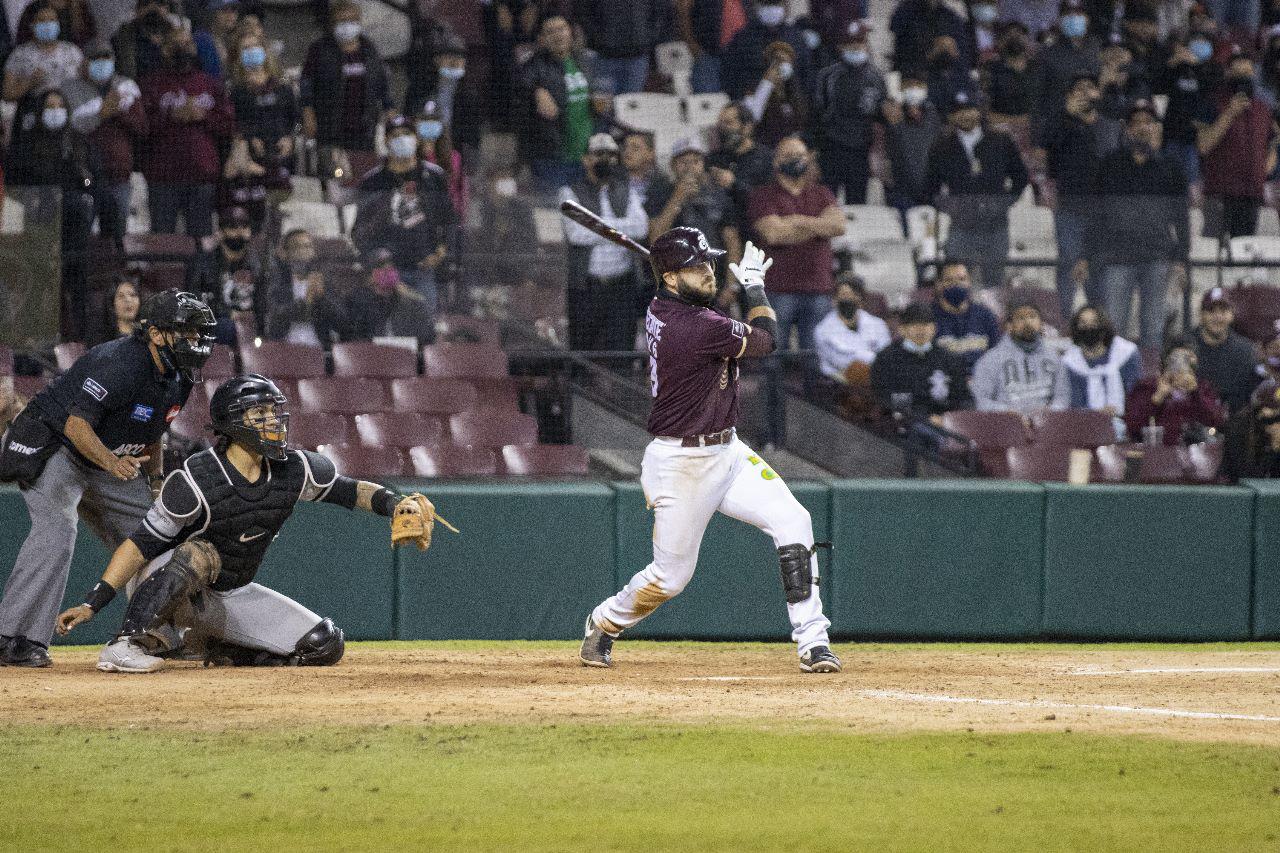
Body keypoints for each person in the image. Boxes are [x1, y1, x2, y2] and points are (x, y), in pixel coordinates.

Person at [55, 374, 445, 672]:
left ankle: (213, 645)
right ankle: (127, 643)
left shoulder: (294, 468)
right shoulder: (197, 477)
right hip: (164, 583)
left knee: (325, 644)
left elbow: (347, 490)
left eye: (274, 412)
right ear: (232, 423)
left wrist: (394, 503)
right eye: (260, 414)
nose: (273, 421)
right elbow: (139, 545)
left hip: (228, 591)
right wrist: (93, 602)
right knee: (198, 552)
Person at [579, 230, 841, 674]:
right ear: (670, 276)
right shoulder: (693, 326)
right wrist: (755, 287)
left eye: (708, 264)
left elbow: (713, 312)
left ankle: (813, 641)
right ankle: (604, 621)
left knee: (794, 519)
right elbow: (765, 339)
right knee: (670, 578)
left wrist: (711, 282)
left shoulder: (673, 307)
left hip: (728, 451)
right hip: (681, 463)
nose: (709, 272)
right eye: (697, 267)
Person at [0, 290, 214, 667]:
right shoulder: (119, 362)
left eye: (198, 334)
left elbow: (153, 431)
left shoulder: (179, 376)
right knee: (57, 529)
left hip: (110, 458)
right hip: (56, 446)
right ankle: (14, 637)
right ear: (158, 334)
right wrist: (114, 465)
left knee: (157, 532)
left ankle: (156, 632)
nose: (196, 342)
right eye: (188, 333)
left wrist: (156, 480)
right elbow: (76, 425)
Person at [1092, 100, 1188, 349]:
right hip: (1117, 256)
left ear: (1157, 128)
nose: (1143, 128)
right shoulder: (1110, 165)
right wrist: (1090, 252)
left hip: (1156, 255)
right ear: (1127, 129)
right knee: (1113, 329)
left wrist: (1181, 257)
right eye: (1137, 123)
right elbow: (1097, 214)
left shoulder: (1170, 168)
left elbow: (1181, 217)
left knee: (1153, 331)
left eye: (1149, 122)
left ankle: (1149, 384)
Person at [351, 114, 456, 315]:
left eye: (407, 134)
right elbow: (360, 232)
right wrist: (378, 265)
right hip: (387, 270)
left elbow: (450, 220)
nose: (402, 139)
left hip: (423, 269)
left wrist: (441, 252)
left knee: (424, 326)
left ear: (416, 138)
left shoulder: (434, 177)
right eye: (395, 135)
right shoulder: (373, 182)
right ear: (386, 141)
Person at [924, 89, 1029, 289]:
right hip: (961, 227)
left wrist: (1003, 203)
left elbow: (1021, 177)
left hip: (995, 226)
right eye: (959, 110)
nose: (965, 114)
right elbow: (930, 189)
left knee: (994, 284)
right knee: (955, 282)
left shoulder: (1001, 141)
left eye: (970, 109)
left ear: (979, 111)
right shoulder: (941, 147)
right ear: (951, 116)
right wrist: (952, 208)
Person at [747, 135, 844, 349]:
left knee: (816, 356)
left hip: (818, 288)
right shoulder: (762, 196)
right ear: (776, 161)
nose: (795, 160)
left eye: (800, 155)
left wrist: (797, 221)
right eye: (788, 155)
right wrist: (818, 226)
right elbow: (774, 234)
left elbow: (838, 226)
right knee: (772, 355)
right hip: (777, 288)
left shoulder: (822, 192)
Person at [139, 27, 236, 239]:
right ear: (165, 49)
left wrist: (203, 116)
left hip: (202, 175)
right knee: (162, 241)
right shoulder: (151, 84)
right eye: (177, 44)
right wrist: (173, 115)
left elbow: (228, 125)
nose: (184, 49)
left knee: (201, 243)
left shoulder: (210, 84)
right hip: (163, 177)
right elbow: (142, 126)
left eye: (188, 44)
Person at [559, 132, 648, 351]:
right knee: (582, 353)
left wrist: (594, 225)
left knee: (621, 354)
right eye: (599, 154)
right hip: (586, 288)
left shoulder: (627, 191)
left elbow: (641, 228)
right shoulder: (569, 192)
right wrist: (620, 230)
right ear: (586, 159)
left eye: (610, 154)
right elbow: (576, 235)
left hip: (622, 287)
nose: (605, 160)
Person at [62, 43, 147, 241]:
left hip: (118, 175)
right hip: (83, 178)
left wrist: (119, 112)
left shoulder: (126, 86)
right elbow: (71, 126)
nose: (101, 64)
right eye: (95, 59)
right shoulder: (69, 89)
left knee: (116, 236)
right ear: (83, 63)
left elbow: (142, 127)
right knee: (81, 236)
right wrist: (102, 113)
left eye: (105, 59)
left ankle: (115, 272)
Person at [520, 14, 608, 194]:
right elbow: (519, 85)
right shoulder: (535, 65)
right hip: (553, 158)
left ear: (570, 32)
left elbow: (601, 95)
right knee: (555, 213)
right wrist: (536, 90)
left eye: (562, 29)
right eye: (550, 32)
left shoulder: (586, 61)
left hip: (586, 155)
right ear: (542, 39)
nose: (558, 35)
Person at [1044, 74, 1105, 322]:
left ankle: (1099, 323)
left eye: (1089, 89)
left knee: (1098, 270)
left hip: (1103, 213)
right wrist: (1067, 117)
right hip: (1070, 209)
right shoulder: (1060, 125)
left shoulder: (1107, 126)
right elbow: (1051, 164)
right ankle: (1064, 322)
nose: (1084, 95)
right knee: (1068, 264)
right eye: (1078, 90)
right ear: (1068, 97)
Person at [1198, 50, 1277, 239]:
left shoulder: (1263, 108)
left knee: (1244, 253)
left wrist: (1262, 171)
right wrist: (1229, 114)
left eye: (1247, 73)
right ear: (1228, 74)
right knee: (1215, 252)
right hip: (1220, 193)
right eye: (1238, 73)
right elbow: (1204, 145)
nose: (1244, 78)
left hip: (1251, 195)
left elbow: (1272, 143)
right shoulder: (1212, 103)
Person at [300, 0, 392, 155]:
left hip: (363, 126)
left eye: (351, 21)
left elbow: (381, 81)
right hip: (330, 125)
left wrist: (389, 107)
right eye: (341, 21)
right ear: (332, 24)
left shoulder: (368, 49)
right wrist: (308, 112)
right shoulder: (320, 49)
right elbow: (306, 82)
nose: (347, 26)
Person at [811, 19, 885, 204]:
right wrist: (814, 150)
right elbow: (817, 115)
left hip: (860, 152)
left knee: (858, 205)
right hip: (831, 149)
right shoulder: (827, 76)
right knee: (826, 204)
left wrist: (876, 154)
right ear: (841, 47)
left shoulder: (876, 77)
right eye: (850, 43)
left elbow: (879, 117)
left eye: (860, 42)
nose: (856, 48)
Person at [645, 137, 741, 269]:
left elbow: (732, 243)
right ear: (673, 165)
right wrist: (677, 199)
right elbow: (655, 240)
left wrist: (732, 286)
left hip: (713, 273)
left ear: (703, 164)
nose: (689, 167)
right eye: (683, 162)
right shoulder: (661, 193)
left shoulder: (718, 194)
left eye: (696, 162)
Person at [870, 302, 974, 421]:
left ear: (934, 328)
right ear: (902, 329)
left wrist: (950, 419)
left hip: (947, 423)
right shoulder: (886, 359)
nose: (921, 330)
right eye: (914, 325)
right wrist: (926, 419)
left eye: (926, 325)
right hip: (905, 424)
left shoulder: (949, 358)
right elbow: (886, 398)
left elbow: (963, 398)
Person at [971, 299, 1071, 416]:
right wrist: (1008, 413)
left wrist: (1050, 412)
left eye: (1032, 316)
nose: (1027, 322)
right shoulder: (989, 360)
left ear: (1041, 324)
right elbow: (981, 402)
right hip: (1006, 426)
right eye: (1020, 318)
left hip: (1047, 426)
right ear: (1009, 326)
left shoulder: (1054, 358)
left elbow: (1063, 397)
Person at [1124, 337, 1224, 444]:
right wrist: (1156, 399)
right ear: (1166, 361)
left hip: (1194, 450)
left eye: (1187, 361)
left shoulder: (1202, 388)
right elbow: (1132, 426)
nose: (1181, 367)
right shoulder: (1146, 387)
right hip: (1157, 451)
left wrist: (1195, 393)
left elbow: (1216, 421)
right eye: (1175, 360)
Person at [187, 206, 262, 343]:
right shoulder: (203, 262)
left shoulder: (259, 263)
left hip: (252, 321)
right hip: (219, 322)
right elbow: (198, 302)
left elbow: (267, 299)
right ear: (220, 232)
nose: (240, 231)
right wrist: (230, 314)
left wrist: (255, 316)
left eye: (244, 226)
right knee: (229, 327)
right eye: (233, 226)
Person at [402, 30, 480, 159]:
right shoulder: (418, 90)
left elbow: (472, 138)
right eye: (449, 57)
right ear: (437, 60)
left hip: (454, 155)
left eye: (460, 58)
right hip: (422, 152)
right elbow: (409, 123)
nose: (454, 62)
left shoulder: (469, 97)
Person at [1029, 0, 1101, 138]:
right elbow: (1036, 99)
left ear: (1087, 18)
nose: (1074, 17)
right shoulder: (1047, 55)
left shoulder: (1097, 48)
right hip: (1060, 128)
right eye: (1068, 13)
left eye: (1078, 12)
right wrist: (1038, 139)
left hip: (1094, 125)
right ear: (1060, 19)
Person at [263, 228, 346, 345]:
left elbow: (341, 323)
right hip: (285, 350)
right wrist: (307, 301)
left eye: (307, 246)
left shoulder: (323, 281)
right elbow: (274, 323)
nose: (303, 251)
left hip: (318, 351)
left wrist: (322, 298)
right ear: (285, 253)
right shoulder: (277, 283)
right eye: (297, 247)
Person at [1061, 305, 1141, 426]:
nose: (1089, 327)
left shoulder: (1126, 353)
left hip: (1126, 422)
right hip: (1084, 426)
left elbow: (1135, 395)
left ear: (1104, 327)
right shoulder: (1069, 362)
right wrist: (1097, 415)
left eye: (1094, 323)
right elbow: (1073, 405)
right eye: (1083, 323)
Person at [720, 1, 814, 101]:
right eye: (766, 4)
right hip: (753, 105)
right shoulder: (742, 39)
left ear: (785, 6)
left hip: (791, 104)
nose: (772, 9)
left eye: (776, 4)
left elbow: (807, 76)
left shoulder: (796, 38)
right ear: (756, 6)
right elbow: (730, 76)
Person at [881, 71, 942, 220]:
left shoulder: (934, 115)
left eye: (918, 85)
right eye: (909, 85)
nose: (913, 89)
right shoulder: (892, 113)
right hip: (902, 190)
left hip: (931, 190)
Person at [1157, 34, 1215, 187]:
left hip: (1194, 137)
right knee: (1167, 181)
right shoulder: (1177, 67)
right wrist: (1172, 64)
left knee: (1190, 184)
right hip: (1172, 133)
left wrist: (1197, 65)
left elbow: (1209, 89)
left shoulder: (1210, 69)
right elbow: (1159, 87)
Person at [343, 249, 435, 344]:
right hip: (371, 351)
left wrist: (410, 297)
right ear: (370, 275)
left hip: (404, 351)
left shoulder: (409, 301)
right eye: (381, 268)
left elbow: (427, 335)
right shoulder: (357, 299)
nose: (388, 271)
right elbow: (354, 334)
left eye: (391, 268)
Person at [813, 274, 892, 383]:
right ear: (834, 300)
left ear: (860, 299)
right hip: (838, 379)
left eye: (854, 295)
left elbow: (886, 353)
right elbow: (838, 361)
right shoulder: (823, 329)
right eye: (845, 295)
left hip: (876, 376)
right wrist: (869, 360)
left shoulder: (877, 324)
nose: (849, 299)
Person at [1194, 287, 1261, 415]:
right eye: (1211, 311)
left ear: (1231, 314)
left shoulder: (1245, 350)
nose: (1218, 317)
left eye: (1223, 311)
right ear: (1202, 314)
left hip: (1234, 421)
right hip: (1194, 419)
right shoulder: (1187, 346)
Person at [2, 1, 84, 104]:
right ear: (32, 25)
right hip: (36, 109)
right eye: (42, 20)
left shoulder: (72, 50)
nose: (48, 24)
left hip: (71, 107)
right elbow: (7, 94)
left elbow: (86, 83)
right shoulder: (19, 54)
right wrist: (29, 82)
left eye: (52, 20)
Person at [575, 0, 664, 95]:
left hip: (637, 57)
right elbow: (583, 12)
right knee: (605, 106)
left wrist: (647, 38)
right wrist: (598, 38)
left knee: (630, 106)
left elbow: (659, 10)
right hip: (604, 57)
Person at [707, 101, 775, 226]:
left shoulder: (766, 158)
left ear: (747, 127)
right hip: (720, 227)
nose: (723, 129)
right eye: (720, 124)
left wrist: (734, 184)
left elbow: (768, 200)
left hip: (756, 225)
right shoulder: (713, 159)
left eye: (729, 123)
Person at [930, 259, 1003, 369]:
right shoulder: (928, 317)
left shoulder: (985, 316)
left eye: (962, 279)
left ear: (969, 282)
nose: (956, 284)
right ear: (938, 284)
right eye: (949, 280)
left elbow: (997, 356)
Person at [742, 38, 810, 148]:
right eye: (778, 60)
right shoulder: (753, 90)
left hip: (791, 148)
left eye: (787, 61)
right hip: (765, 148)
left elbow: (801, 124)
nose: (783, 64)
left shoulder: (795, 93)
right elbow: (752, 118)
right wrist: (767, 83)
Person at [674, 0, 749, 93]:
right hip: (708, 53)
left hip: (738, 54)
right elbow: (683, 12)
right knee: (708, 98)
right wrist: (692, 44)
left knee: (736, 99)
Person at [889, 0, 972, 73]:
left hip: (948, 78)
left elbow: (963, 58)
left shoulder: (951, 17)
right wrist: (932, 53)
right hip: (914, 79)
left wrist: (954, 53)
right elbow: (903, 57)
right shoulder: (905, 12)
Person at [1220, 380, 1280, 481]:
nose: (1276, 424)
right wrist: (1272, 450)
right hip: (1238, 489)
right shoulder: (1241, 428)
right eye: (1273, 419)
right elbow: (1246, 475)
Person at [110, 0, 179, 82]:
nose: (153, 8)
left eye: (159, 3)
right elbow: (127, 71)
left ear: (167, 8)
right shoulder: (125, 35)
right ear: (137, 10)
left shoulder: (174, 31)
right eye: (146, 4)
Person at [621, 130, 668, 205]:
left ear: (650, 154)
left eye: (635, 148)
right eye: (625, 147)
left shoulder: (663, 184)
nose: (627, 152)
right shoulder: (613, 181)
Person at [96, 275, 142, 344]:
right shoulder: (102, 338)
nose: (128, 300)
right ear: (112, 304)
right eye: (121, 296)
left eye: (133, 295)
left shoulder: (147, 334)